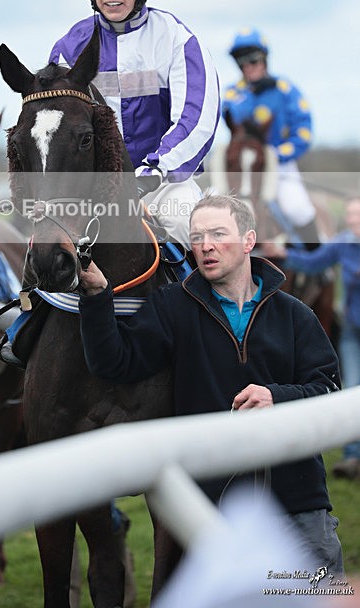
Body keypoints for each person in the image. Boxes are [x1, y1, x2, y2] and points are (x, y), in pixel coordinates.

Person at [78, 193, 343, 575]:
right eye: (197, 236)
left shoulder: (295, 315)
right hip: (212, 513)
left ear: (249, 241)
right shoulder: (172, 307)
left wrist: (277, 397)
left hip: (298, 505)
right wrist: (96, 296)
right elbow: (113, 363)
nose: (205, 245)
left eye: (218, 234)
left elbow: (329, 393)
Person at [49, 0, 221, 250]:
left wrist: (155, 171)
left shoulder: (177, 40)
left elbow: (196, 121)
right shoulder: (68, 49)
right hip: (90, 191)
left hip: (163, 187)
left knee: (187, 223)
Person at [263, 197, 360, 480]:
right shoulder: (343, 243)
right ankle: (353, 456)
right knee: (353, 388)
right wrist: (282, 253)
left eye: (357, 215)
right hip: (353, 330)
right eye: (350, 215)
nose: (352, 220)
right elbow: (315, 263)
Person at [222, 28, 320, 249]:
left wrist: (276, 154)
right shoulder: (233, 94)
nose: (248, 66)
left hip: (279, 164)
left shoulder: (285, 89)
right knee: (213, 204)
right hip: (244, 167)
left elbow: (304, 132)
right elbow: (238, 124)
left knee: (297, 209)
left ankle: (318, 260)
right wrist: (254, 93)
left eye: (253, 60)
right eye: (242, 62)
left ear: (264, 59)